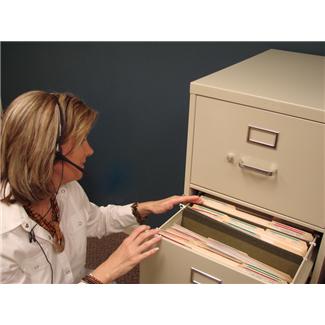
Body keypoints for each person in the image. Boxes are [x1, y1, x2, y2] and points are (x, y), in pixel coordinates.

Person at [0, 90, 203, 284]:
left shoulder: (66, 188)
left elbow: (96, 220)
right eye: (82, 141)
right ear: (50, 152)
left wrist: (145, 208)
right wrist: (108, 270)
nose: (90, 151)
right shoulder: (4, 236)